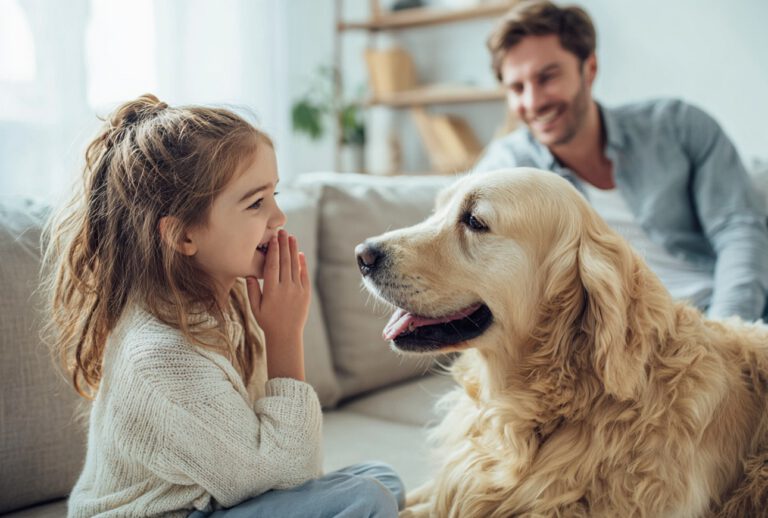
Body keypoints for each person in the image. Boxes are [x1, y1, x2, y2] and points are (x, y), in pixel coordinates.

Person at [43, 94, 404, 518]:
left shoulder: (220, 301)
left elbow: (276, 472)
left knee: (381, 479)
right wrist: (285, 335)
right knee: (367, 498)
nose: (279, 217)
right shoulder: (161, 359)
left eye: (274, 194)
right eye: (256, 203)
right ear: (183, 236)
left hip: (217, 500)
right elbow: (292, 474)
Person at [474, 0, 768, 321]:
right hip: (627, 336)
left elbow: (738, 229)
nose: (533, 102)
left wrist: (727, 328)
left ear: (590, 68)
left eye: (547, 77)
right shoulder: (505, 169)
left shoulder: (678, 125)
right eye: (517, 88)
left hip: (726, 313)